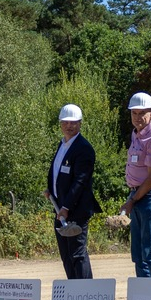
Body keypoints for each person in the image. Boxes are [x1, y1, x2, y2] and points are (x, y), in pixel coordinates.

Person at [44, 103, 101, 280]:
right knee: (67, 256)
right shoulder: (63, 145)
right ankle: (72, 295)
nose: (69, 126)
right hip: (60, 210)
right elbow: (58, 172)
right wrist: (51, 191)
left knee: (77, 254)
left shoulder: (83, 148)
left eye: (73, 122)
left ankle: (86, 297)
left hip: (75, 210)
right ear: (60, 124)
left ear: (80, 123)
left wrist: (67, 207)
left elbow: (80, 181)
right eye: (66, 122)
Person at [119, 92, 151, 278]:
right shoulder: (137, 135)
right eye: (135, 113)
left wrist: (132, 200)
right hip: (139, 196)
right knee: (139, 255)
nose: (138, 117)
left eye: (143, 113)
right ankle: (145, 299)